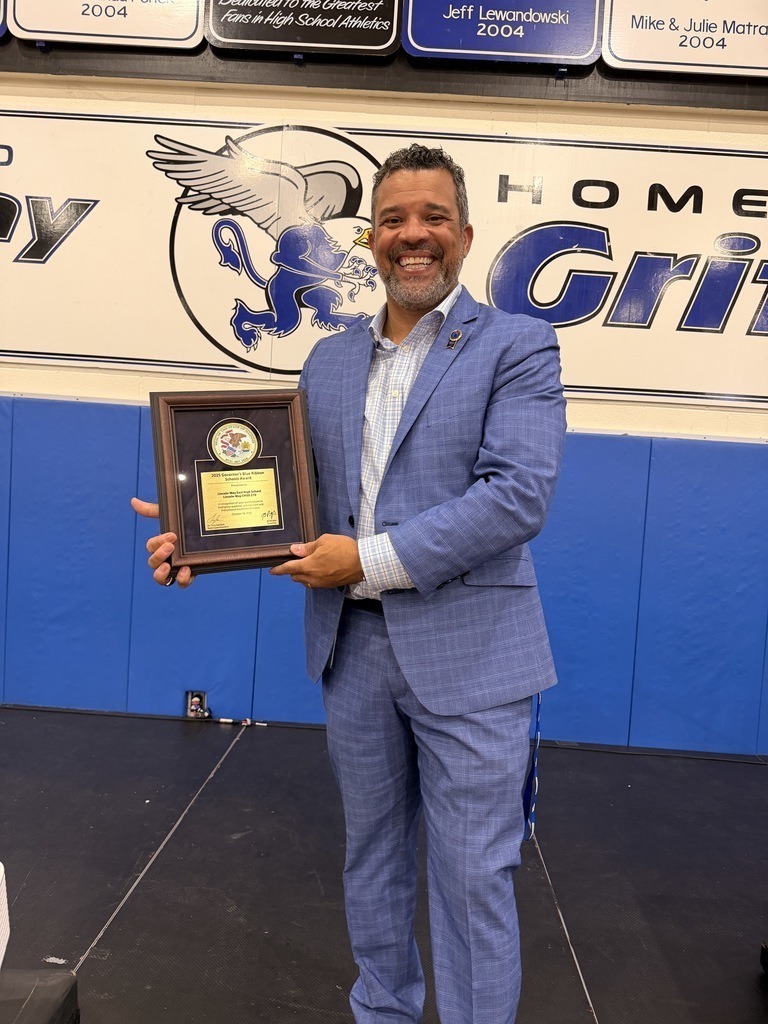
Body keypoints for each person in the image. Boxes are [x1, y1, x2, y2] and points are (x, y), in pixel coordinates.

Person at [133, 143, 566, 1024]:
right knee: (370, 855)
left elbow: (516, 497)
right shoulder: (328, 362)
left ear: (465, 236)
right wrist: (204, 542)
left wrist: (364, 562)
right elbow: (298, 503)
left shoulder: (519, 346)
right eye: (395, 219)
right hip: (352, 651)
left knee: (474, 874)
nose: (414, 236)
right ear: (369, 238)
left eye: (433, 219)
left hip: (473, 657)